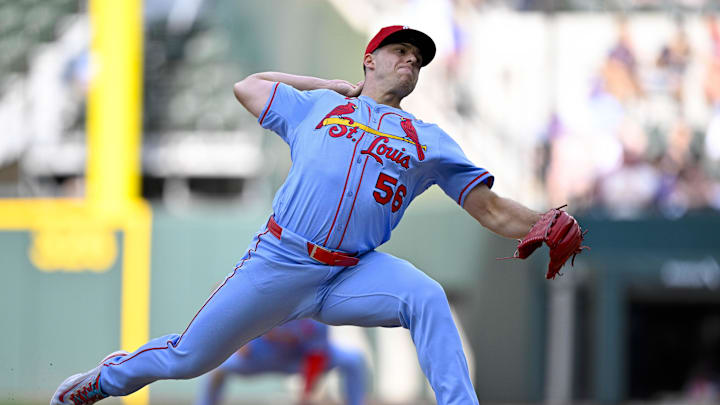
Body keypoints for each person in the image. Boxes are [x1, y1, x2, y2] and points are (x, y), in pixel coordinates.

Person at [51, 25, 583, 405]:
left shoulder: (429, 140)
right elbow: (249, 86)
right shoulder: (318, 108)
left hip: (353, 270)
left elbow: (488, 207)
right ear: (369, 60)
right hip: (279, 261)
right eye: (399, 51)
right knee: (187, 359)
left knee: (427, 296)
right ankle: (100, 383)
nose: (410, 62)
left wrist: (541, 219)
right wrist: (323, 86)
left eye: (417, 60)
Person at [195, 319, 366, 405]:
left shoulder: (314, 314)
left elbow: (316, 355)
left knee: (353, 359)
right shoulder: (262, 304)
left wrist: (306, 393)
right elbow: (236, 327)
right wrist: (238, 342)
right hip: (258, 358)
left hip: (298, 360)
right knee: (217, 367)